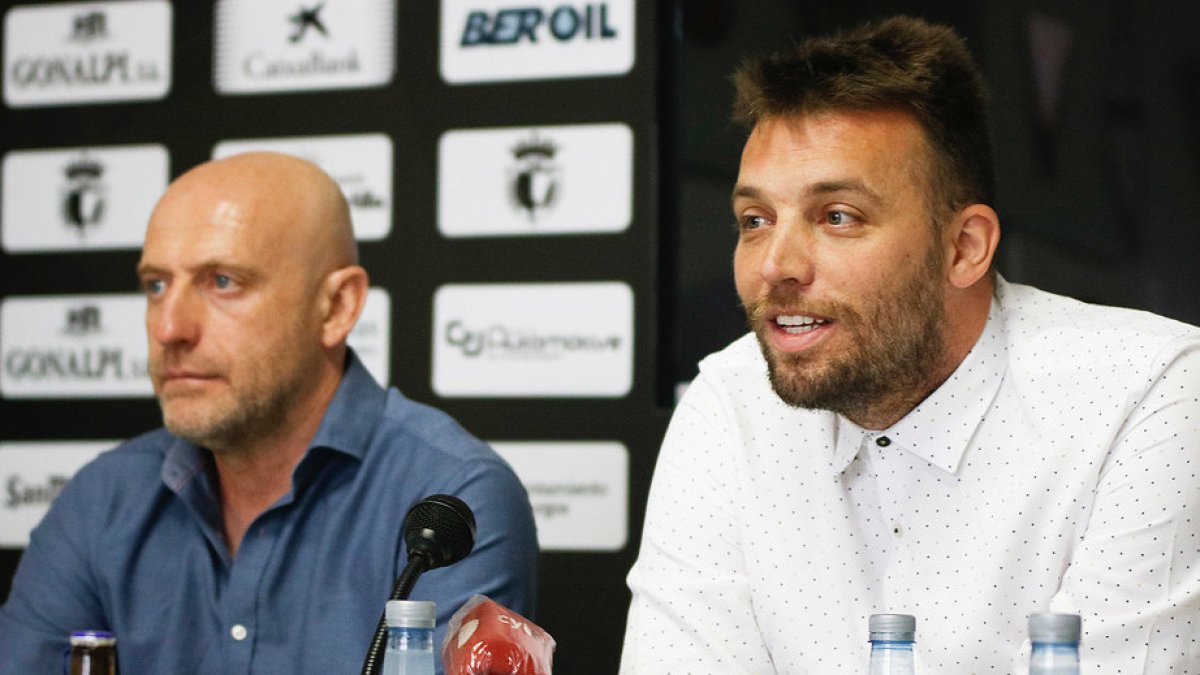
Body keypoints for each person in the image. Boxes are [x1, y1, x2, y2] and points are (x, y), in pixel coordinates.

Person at [621, 16, 1200, 674]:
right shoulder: (728, 403)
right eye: (755, 220)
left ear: (965, 247)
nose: (775, 264)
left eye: (837, 216)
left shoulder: (1151, 394)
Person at [0, 152, 539, 674]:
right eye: (156, 285)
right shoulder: (103, 500)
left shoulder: (449, 504)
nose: (170, 328)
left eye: (223, 282)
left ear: (336, 307)